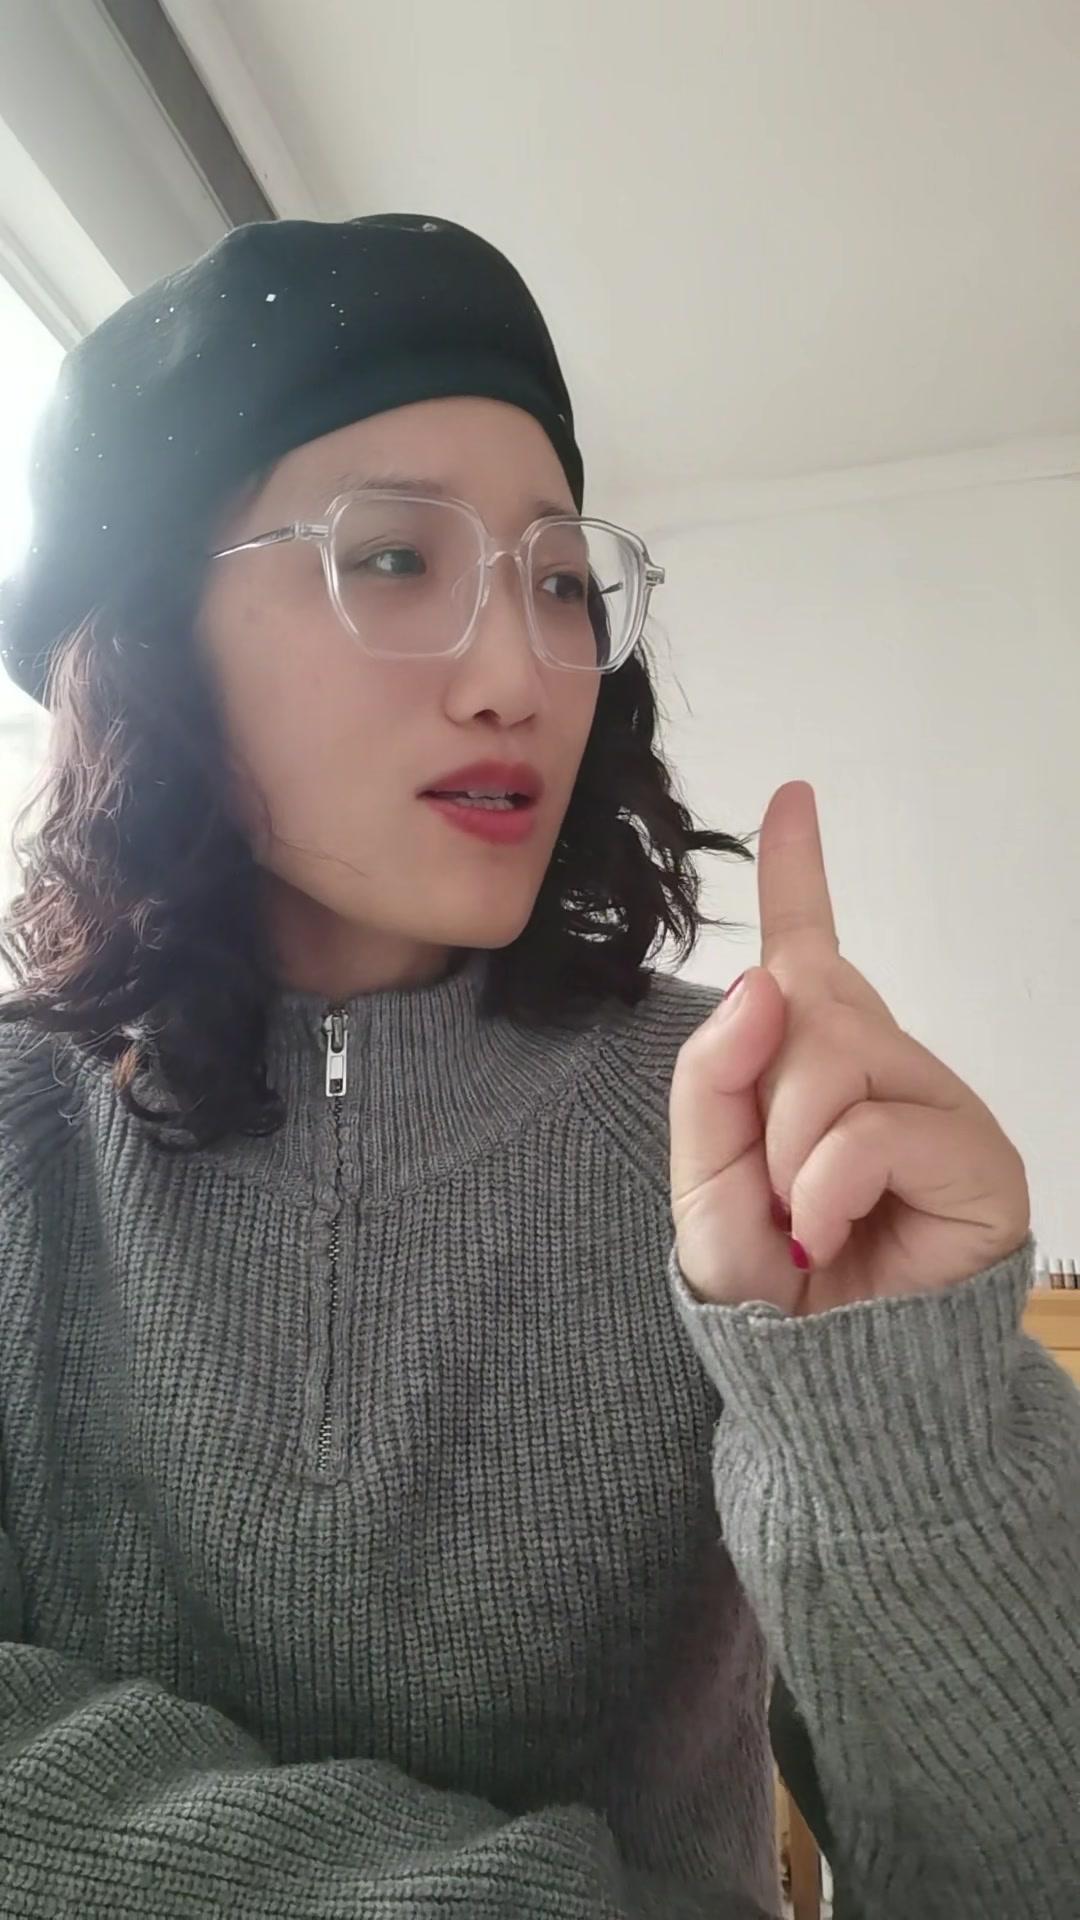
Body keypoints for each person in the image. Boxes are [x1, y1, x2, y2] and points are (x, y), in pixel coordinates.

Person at [0, 213, 1075, 1920]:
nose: (519, 673)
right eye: (391, 558)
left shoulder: (736, 1131)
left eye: (561, 583)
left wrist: (903, 1435)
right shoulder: (21, 1142)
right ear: (148, 638)